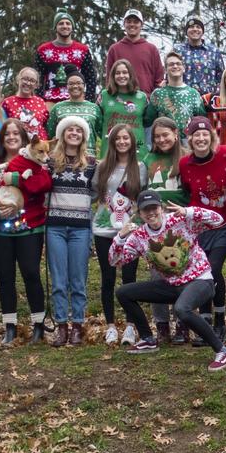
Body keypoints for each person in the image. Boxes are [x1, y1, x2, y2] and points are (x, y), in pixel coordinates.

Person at [108, 190, 226, 370]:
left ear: (161, 208)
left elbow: (217, 220)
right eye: (146, 210)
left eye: (154, 208)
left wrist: (189, 212)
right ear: (140, 213)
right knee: (123, 293)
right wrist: (121, 237)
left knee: (182, 309)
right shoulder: (138, 237)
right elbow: (115, 261)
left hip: (200, 280)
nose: (151, 213)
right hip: (172, 286)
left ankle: (223, 351)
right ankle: (147, 339)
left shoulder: (179, 220)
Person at [0, 119, 52, 346]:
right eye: (7, 134)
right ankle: (10, 326)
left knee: (31, 273)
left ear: (24, 138)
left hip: (30, 226)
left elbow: (42, 185)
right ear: (1, 138)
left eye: (16, 133)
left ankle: (38, 325)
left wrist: (16, 179)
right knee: (5, 277)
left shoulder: (36, 160)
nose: (11, 137)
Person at [181, 116, 226, 342]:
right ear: (190, 139)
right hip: (200, 227)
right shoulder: (184, 164)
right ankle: (205, 323)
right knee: (201, 272)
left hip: (224, 223)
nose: (201, 138)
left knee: (212, 270)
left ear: (212, 136)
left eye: (205, 134)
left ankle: (220, 321)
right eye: (197, 135)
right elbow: (188, 190)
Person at [45, 116, 97, 347]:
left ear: (83, 136)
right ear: (62, 134)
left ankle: (77, 324)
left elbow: (96, 191)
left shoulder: (91, 163)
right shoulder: (50, 162)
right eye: (70, 129)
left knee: (78, 278)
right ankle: (61, 325)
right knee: (58, 280)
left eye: (78, 130)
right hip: (55, 226)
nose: (74, 133)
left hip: (80, 228)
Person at [93, 124, 147, 346]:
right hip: (104, 229)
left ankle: (131, 326)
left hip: (130, 230)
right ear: (112, 142)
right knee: (107, 278)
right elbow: (94, 193)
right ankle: (111, 326)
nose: (122, 142)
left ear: (132, 141)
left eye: (126, 138)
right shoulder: (102, 167)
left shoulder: (140, 168)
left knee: (129, 278)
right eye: (118, 138)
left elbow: (143, 199)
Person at [142, 117, 188, 342]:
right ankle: (161, 324)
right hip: (155, 224)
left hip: (180, 223)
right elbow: (141, 190)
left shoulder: (186, 157)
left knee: (181, 271)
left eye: (165, 135)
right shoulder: (148, 159)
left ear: (175, 134)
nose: (161, 139)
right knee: (157, 273)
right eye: (157, 136)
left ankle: (182, 322)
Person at [35, 10, 98, 103]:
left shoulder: (83, 50)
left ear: (72, 27)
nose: (65, 26)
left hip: (76, 100)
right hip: (51, 101)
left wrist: (88, 100)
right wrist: (40, 101)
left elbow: (90, 77)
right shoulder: (43, 50)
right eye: (61, 23)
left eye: (68, 23)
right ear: (55, 27)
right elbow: (38, 77)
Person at [147, 51, 206, 141]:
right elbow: (148, 121)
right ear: (165, 70)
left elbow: (202, 120)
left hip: (187, 143)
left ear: (183, 68)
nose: (175, 66)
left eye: (178, 64)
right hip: (165, 142)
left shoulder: (194, 94)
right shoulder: (158, 94)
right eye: (171, 64)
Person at [46, 68, 105, 157]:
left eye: (78, 83)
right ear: (66, 86)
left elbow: (103, 133)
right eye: (71, 83)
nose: (75, 86)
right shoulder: (57, 108)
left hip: (88, 157)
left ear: (84, 85)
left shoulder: (94, 108)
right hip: (62, 157)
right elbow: (50, 135)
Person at [97, 58, 149, 156]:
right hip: (110, 150)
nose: (121, 76)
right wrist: (107, 136)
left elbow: (148, 123)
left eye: (125, 72)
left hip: (136, 150)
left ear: (130, 75)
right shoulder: (104, 96)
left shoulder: (142, 97)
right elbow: (97, 122)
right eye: (118, 73)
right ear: (113, 76)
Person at [105, 8, 164, 94]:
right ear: (124, 24)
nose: (132, 24)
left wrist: (154, 97)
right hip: (120, 99)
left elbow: (159, 79)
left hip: (146, 99)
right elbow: (109, 80)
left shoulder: (152, 49)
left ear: (141, 25)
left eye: (136, 22)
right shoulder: (114, 49)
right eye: (129, 22)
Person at [174, 14, 225, 97]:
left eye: (198, 27)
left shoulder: (214, 51)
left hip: (208, 100)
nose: (195, 29)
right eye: (191, 27)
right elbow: (170, 74)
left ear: (202, 31)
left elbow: (221, 78)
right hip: (183, 98)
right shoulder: (177, 50)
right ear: (186, 31)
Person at [3, 67, 51, 141]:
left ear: (36, 85)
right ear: (18, 80)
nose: (28, 83)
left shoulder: (40, 102)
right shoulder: (7, 102)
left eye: (32, 81)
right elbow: (2, 127)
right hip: (17, 145)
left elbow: (46, 125)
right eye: (25, 79)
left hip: (39, 146)